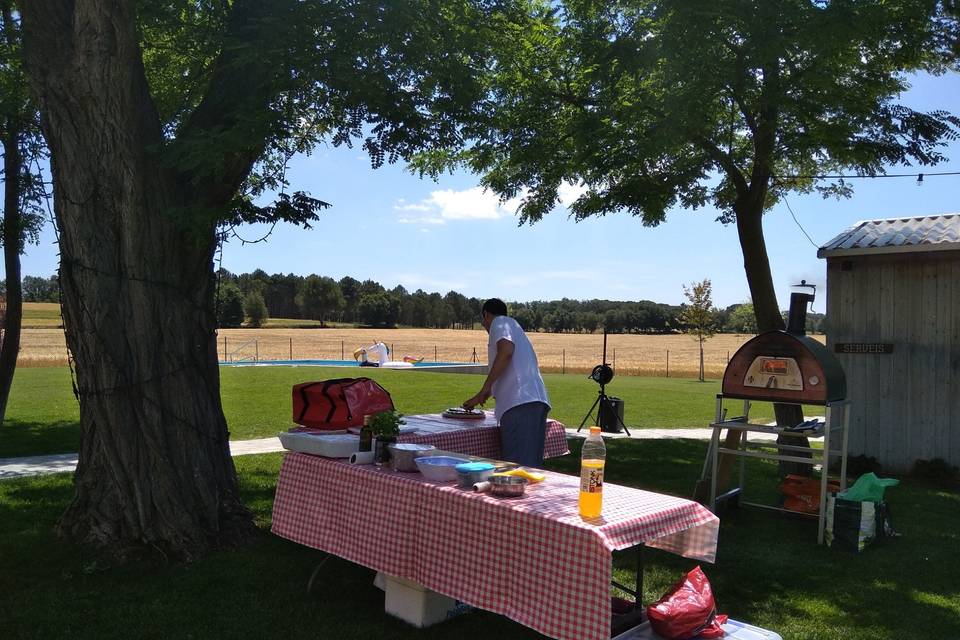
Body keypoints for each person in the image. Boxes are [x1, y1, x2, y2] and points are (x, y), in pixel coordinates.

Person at [463, 298, 550, 467]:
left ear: (486, 315)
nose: (484, 325)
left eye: (483, 320)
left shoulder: (499, 323)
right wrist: (483, 394)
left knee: (516, 469)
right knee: (531, 467)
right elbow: (511, 367)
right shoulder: (514, 325)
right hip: (534, 401)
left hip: (519, 403)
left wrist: (485, 387)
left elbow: (506, 351)